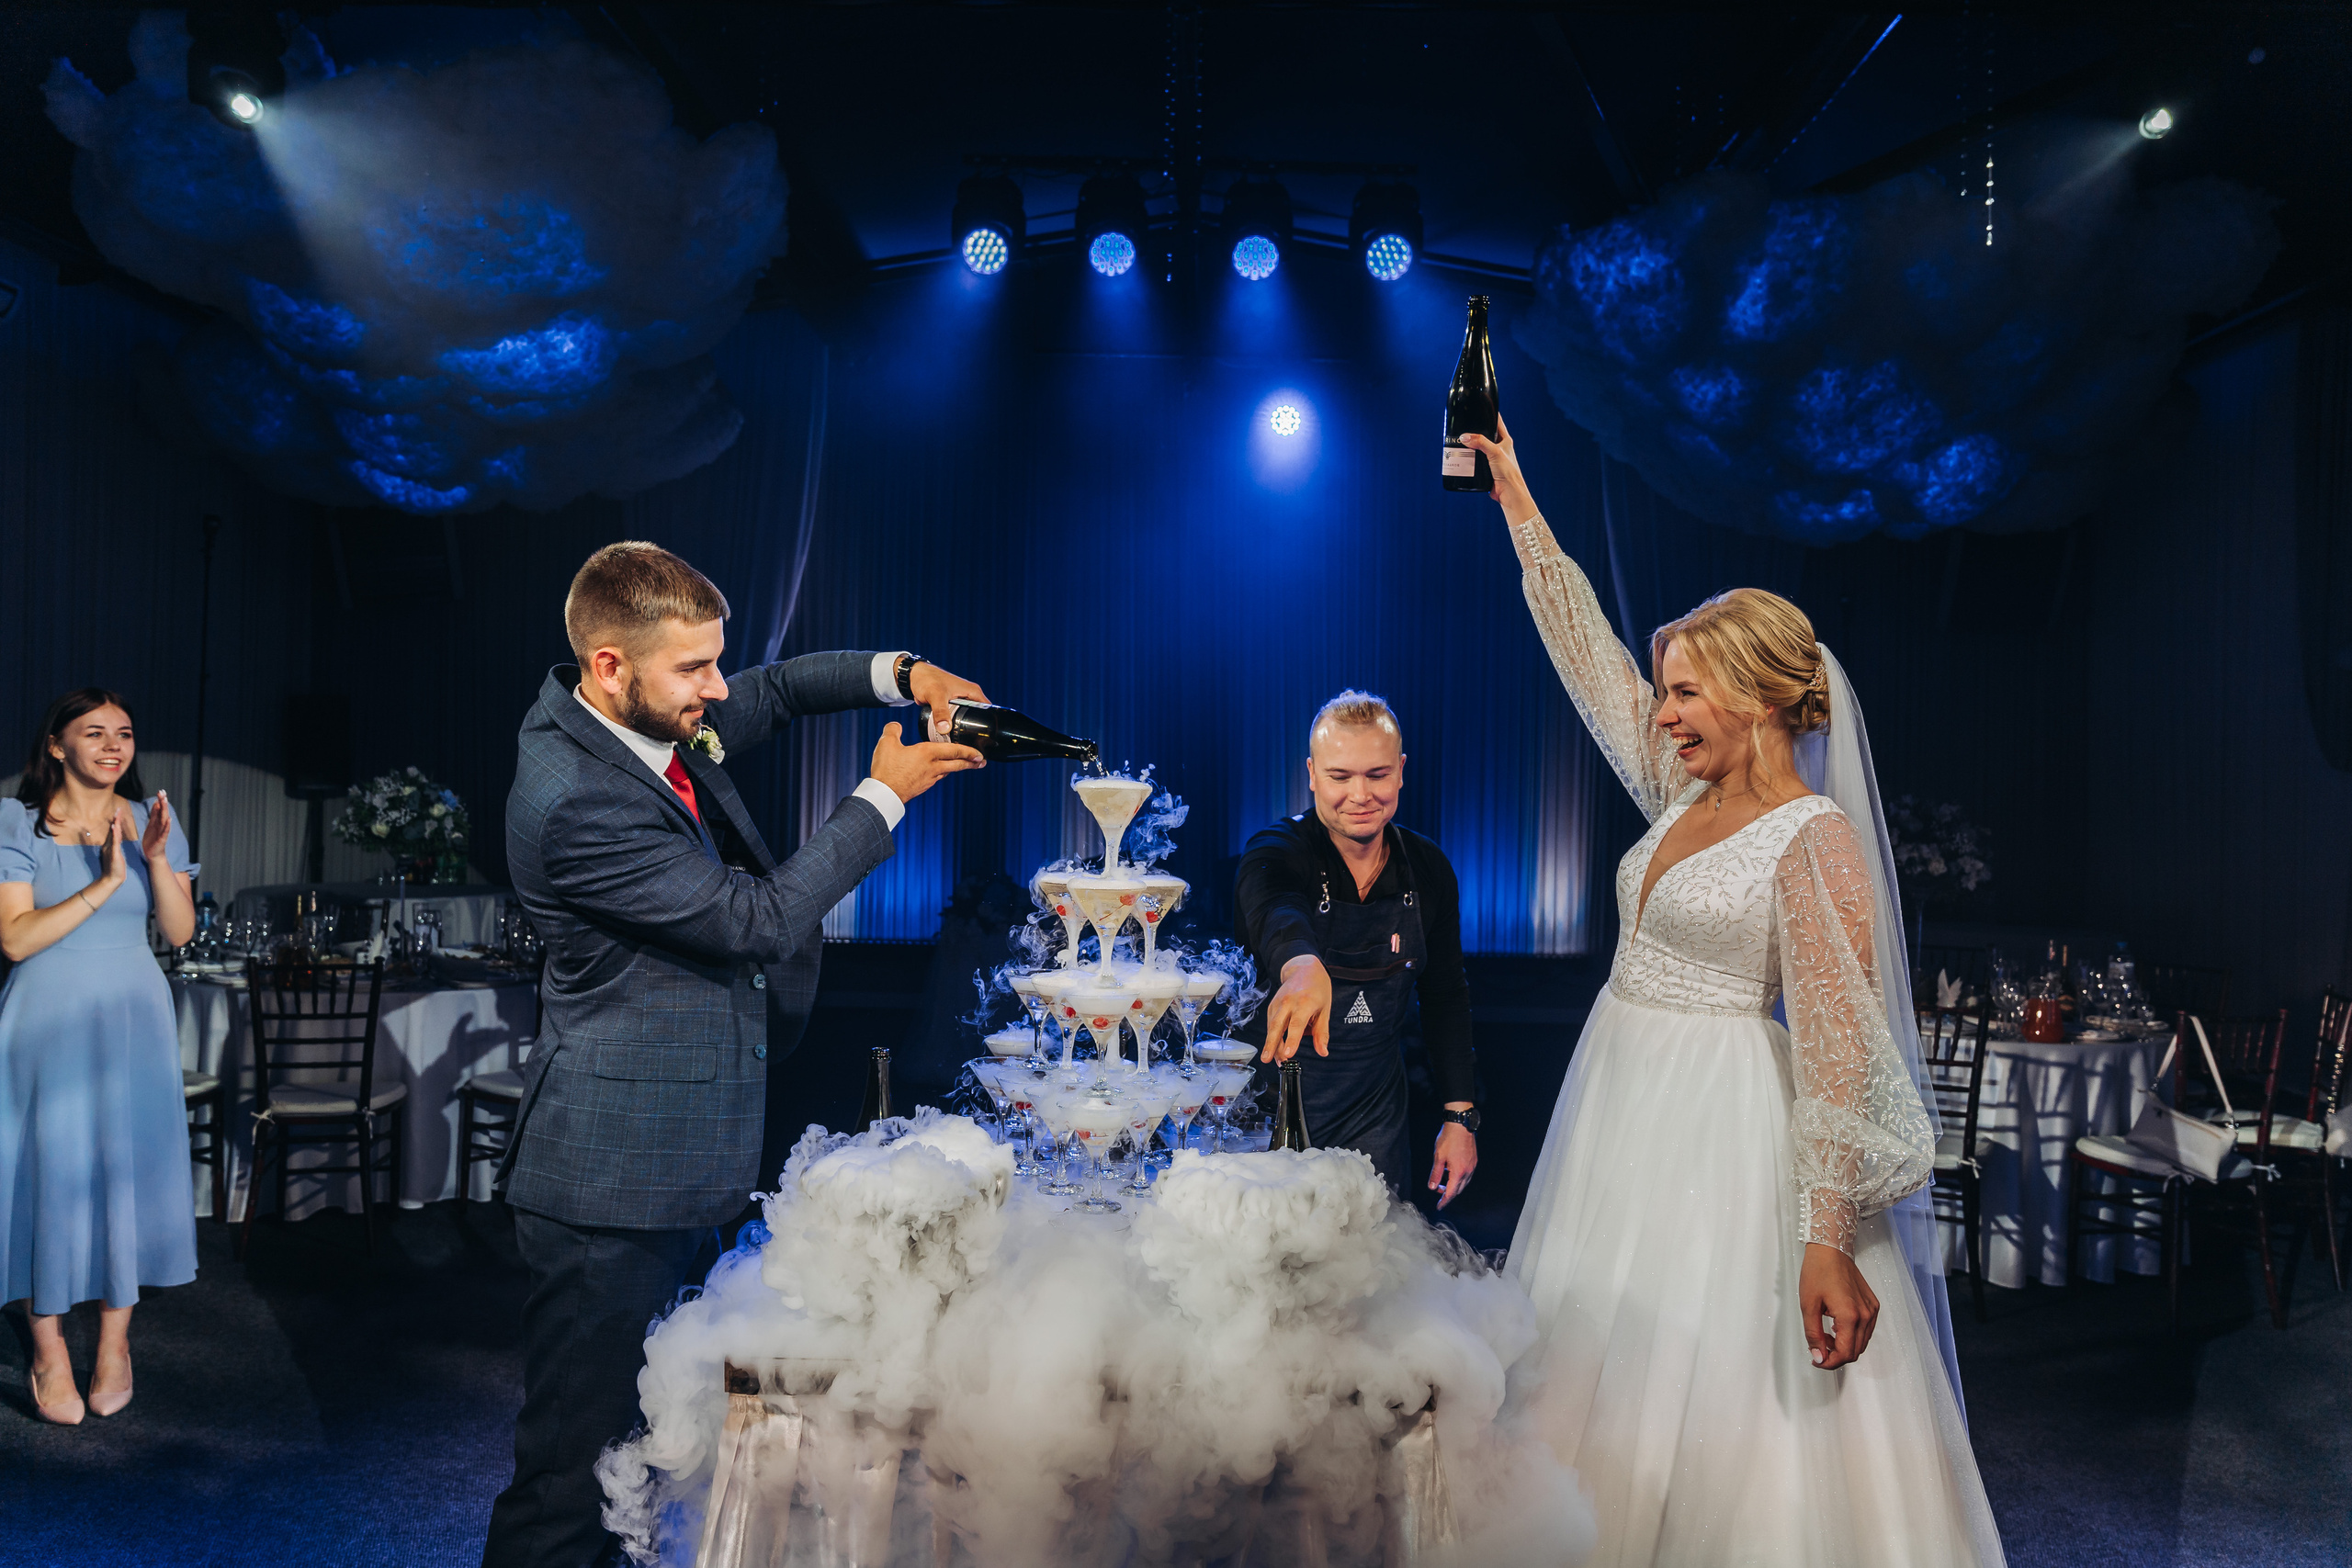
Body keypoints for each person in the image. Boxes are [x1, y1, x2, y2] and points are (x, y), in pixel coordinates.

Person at [1446, 419, 2004, 1564]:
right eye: (1663, 694)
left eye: (1685, 692)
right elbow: (1587, 654)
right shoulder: (1673, 791)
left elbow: (1842, 1049)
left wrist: (1826, 1238)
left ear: (1754, 694)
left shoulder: (1815, 837)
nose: (1661, 713)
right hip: (1619, 1102)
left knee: (1715, 1391)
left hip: (1723, 1127)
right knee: (1594, 1361)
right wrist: (1516, 501)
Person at [483, 542, 993, 1568]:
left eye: (715, 663)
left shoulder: (634, 713)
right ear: (609, 667)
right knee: (574, 1477)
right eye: (694, 671)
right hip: (608, 1193)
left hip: (674, 1161)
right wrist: (883, 798)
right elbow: (752, 920)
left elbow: (779, 688)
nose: (717, 692)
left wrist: (905, 674)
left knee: (653, 1459)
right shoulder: (575, 798)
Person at [0, 689, 198, 1427]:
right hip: (44, 1019)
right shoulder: (15, 821)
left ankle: (115, 1344)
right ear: (56, 744)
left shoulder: (154, 821)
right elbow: (15, 938)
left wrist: (153, 861)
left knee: (123, 1171)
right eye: (95, 732)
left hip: (131, 1017)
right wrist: (110, 883)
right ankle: (48, 1348)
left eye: (125, 733)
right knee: (42, 1173)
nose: (115, 745)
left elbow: (176, 934)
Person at [1236, 691, 1479, 1206]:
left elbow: (1445, 996)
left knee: (1371, 1267)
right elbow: (1276, 907)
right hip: (1272, 1102)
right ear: (1312, 774)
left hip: (1375, 1110)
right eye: (1339, 777)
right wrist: (1302, 967)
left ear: (1401, 771)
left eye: (1377, 774)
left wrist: (1460, 1118)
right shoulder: (1276, 850)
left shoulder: (1429, 867)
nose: (1360, 794)